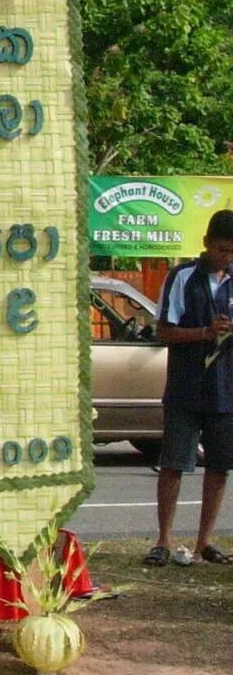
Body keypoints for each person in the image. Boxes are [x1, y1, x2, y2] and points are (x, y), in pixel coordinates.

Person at [144, 210, 233, 566]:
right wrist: (204, 333)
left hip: (225, 389)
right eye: (222, 249)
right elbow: (163, 332)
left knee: (219, 467)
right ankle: (163, 540)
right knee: (173, 464)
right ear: (207, 243)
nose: (227, 257)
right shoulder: (182, 277)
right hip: (185, 387)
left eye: (232, 252)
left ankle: (204, 542)